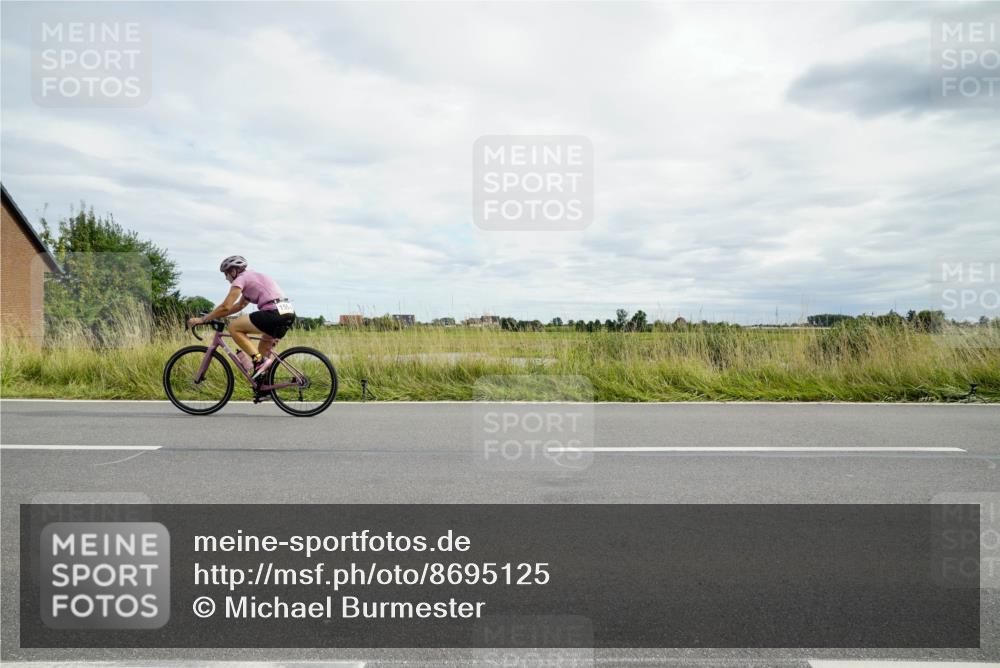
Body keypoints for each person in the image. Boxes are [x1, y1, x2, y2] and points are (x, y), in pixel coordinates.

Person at [187, 256, 295, 379]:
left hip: (273, 313)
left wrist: (203, 319)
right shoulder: (253, 276)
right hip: (287, 313)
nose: (226, 278)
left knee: (233, 327)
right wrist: (213, 315)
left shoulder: (240, 279)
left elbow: (225, 306)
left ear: (234, 271)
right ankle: (265, 388)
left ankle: (258, 361)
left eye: (226, 274)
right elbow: (239, 305)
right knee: (262, 351)